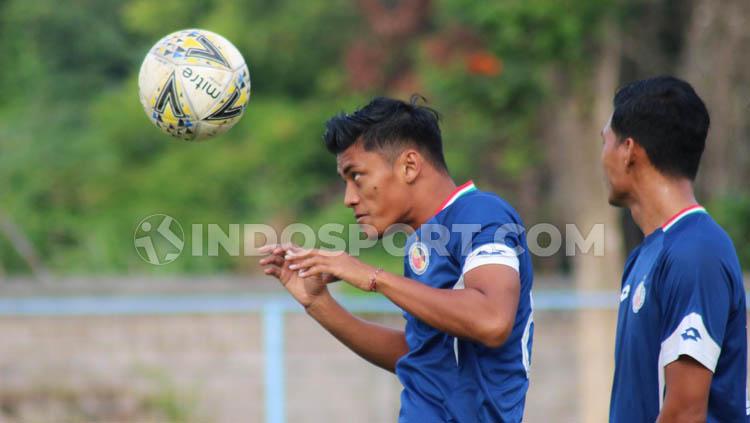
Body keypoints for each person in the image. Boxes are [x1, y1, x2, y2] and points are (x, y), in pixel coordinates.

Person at [260, 96, 534, 422]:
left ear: (409, 165)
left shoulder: (481, 213)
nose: (349, 198)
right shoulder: (421, 244)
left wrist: (374, 277)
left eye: (357, 176)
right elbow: (422, 357)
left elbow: (492, 321)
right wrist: (319, 303)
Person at [601, 76, 747, 422]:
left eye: (604, 141)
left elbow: (685, 412)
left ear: (629, 151)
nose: (602, 157)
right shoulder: (649, 254)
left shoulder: (695, 253)